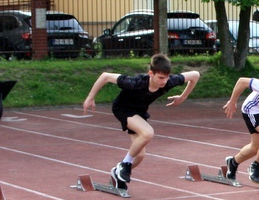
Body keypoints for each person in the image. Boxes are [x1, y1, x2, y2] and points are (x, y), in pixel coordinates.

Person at [83, 54, 200, 192]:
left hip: (139, 113)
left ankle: (117, 172)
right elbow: (105, 76)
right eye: (160, 78)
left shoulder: (169, 82)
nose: (164, 81)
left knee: (139, 155)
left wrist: (182, 97)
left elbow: (195, 75)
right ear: (151, 73)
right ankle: (124, 165)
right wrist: (90, 98)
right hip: (122, 109)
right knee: (148, 133)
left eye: (167, 77)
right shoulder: (135, 83)